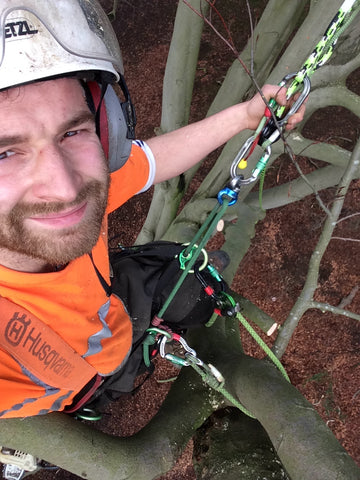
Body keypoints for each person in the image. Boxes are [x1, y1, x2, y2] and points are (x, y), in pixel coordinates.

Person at [0, 0, 305, 420]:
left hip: (111, 309)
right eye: (4, 154)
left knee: (183, 282)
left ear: (107, 132)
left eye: (73, 131)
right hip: (87, 386)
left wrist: (243, 117)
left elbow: (155, 160)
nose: (66, 186)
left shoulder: (89, 189)